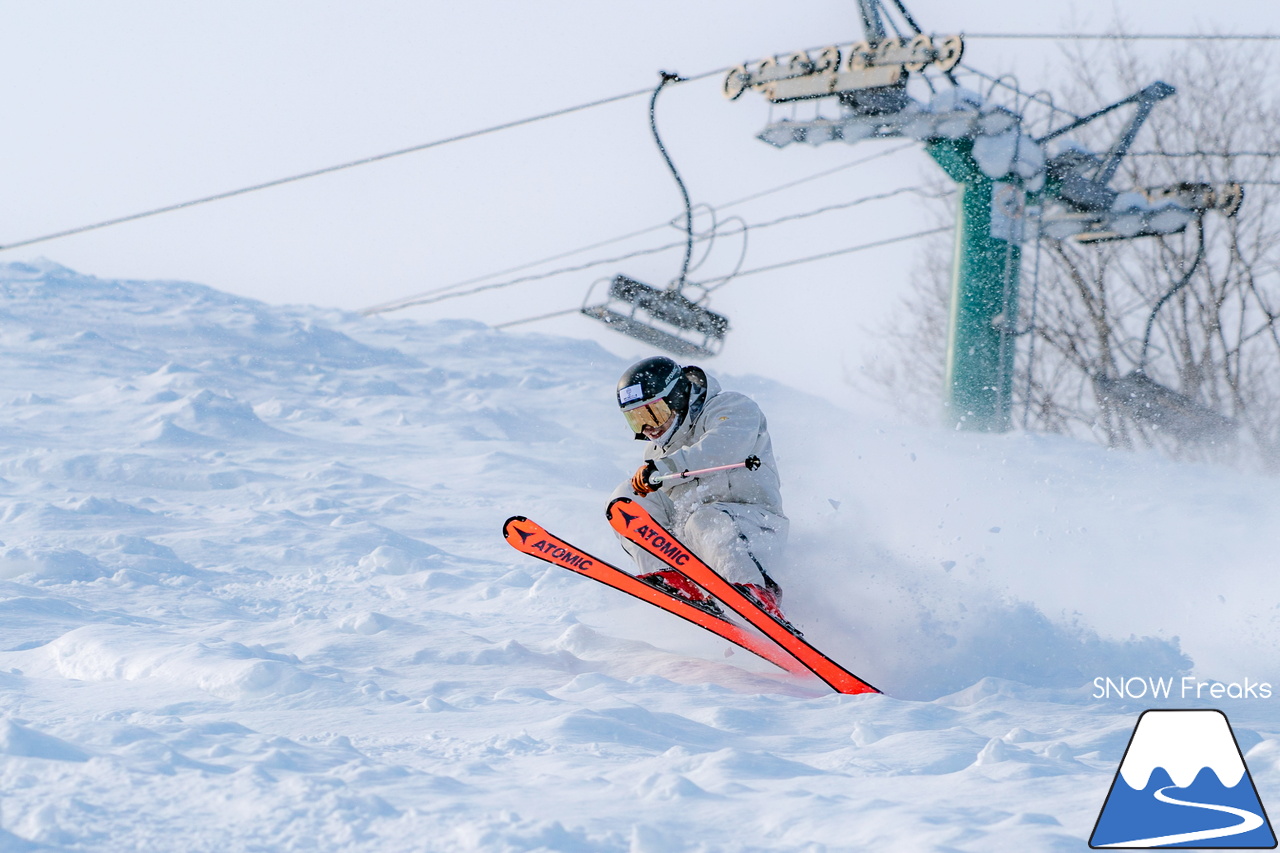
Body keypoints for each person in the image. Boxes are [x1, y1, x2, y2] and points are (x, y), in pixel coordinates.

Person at [609, 355, 793, 628]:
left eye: (652, 413)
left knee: (705, 518)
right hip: (698, 539)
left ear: (675, 397)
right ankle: (670, 576)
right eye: (636, 420)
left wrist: (665, 468)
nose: (648, 428)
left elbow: (721, 450)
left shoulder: (732, 406)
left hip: (756, 529)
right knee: (627, 497)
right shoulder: (658, 452)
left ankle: (756, 594)